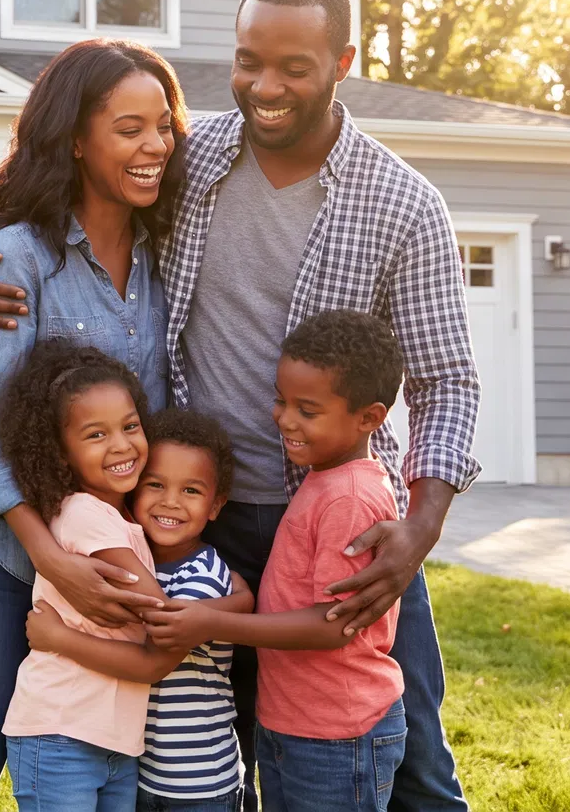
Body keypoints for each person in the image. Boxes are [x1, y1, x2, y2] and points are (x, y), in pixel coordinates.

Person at [0, 0, 479, 812]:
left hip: (339, 527)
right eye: (247, 61)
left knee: (404, 754)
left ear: (342, 62)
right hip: (200, 520)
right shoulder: (191, 160)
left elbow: (449, 381)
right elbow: (76, 188)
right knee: (199, 755)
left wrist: (418, 528)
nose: (265, 86)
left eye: (293, 68)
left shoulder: (404, 205)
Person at [0, 38, 192, 812]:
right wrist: (52, 561)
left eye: (163, 125)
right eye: (129, 128)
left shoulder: (164, 260)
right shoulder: (20, 257)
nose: (154, 146)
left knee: (88, 759)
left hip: (100, 555)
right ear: (75, 138)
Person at [147, 311, 413, 812]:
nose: (285, 419)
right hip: (292, 723)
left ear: (369, 418)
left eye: (307, 410)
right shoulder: (322, 476)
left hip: (337, 733)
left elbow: (333, 625)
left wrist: (214, 621)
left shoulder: (349, 497)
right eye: (280, 400)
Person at [27, 409, 254, 812]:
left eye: (191, 491)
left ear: (216, 505)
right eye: (156, 485)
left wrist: (60, 638)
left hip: (197, 785)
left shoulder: (202, 576)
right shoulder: (138, 558)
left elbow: (153, 659)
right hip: (141, 773)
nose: (170, 501)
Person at [0, 341, 165, 811]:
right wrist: (235, 603)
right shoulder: (87, 515)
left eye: (130, 426)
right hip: (60, 733)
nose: (122, 445)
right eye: (96, 435)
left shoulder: (121, 519)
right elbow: (164, 626)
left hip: (114, 741)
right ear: (60, 454)